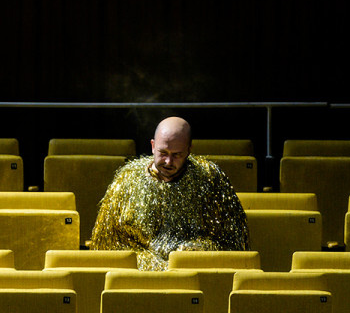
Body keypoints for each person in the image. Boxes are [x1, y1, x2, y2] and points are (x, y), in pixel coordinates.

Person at [90, 116, 248, 271]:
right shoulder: (127, 178)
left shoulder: (210, 178)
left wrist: (190, 253)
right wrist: (151, 264)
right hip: (138, 276)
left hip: (193, 272)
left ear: (189, 150)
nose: (168, 162)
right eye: (163, 153)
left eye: (177, 154)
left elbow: (232, 242)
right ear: (152, 146)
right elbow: (107, 243)